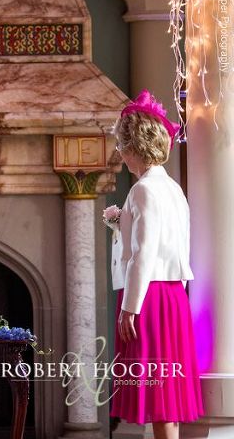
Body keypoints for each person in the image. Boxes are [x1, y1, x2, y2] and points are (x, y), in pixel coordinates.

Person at [110, 90, 203, 439]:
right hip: (173, 297)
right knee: (168, 398)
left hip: (149, 298)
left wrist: (128, 309)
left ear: (135, 146)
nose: (119, 152)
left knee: (160, 394)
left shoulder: (144, 190)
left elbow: (143, 253)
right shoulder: (173, 189)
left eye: (122, 144)